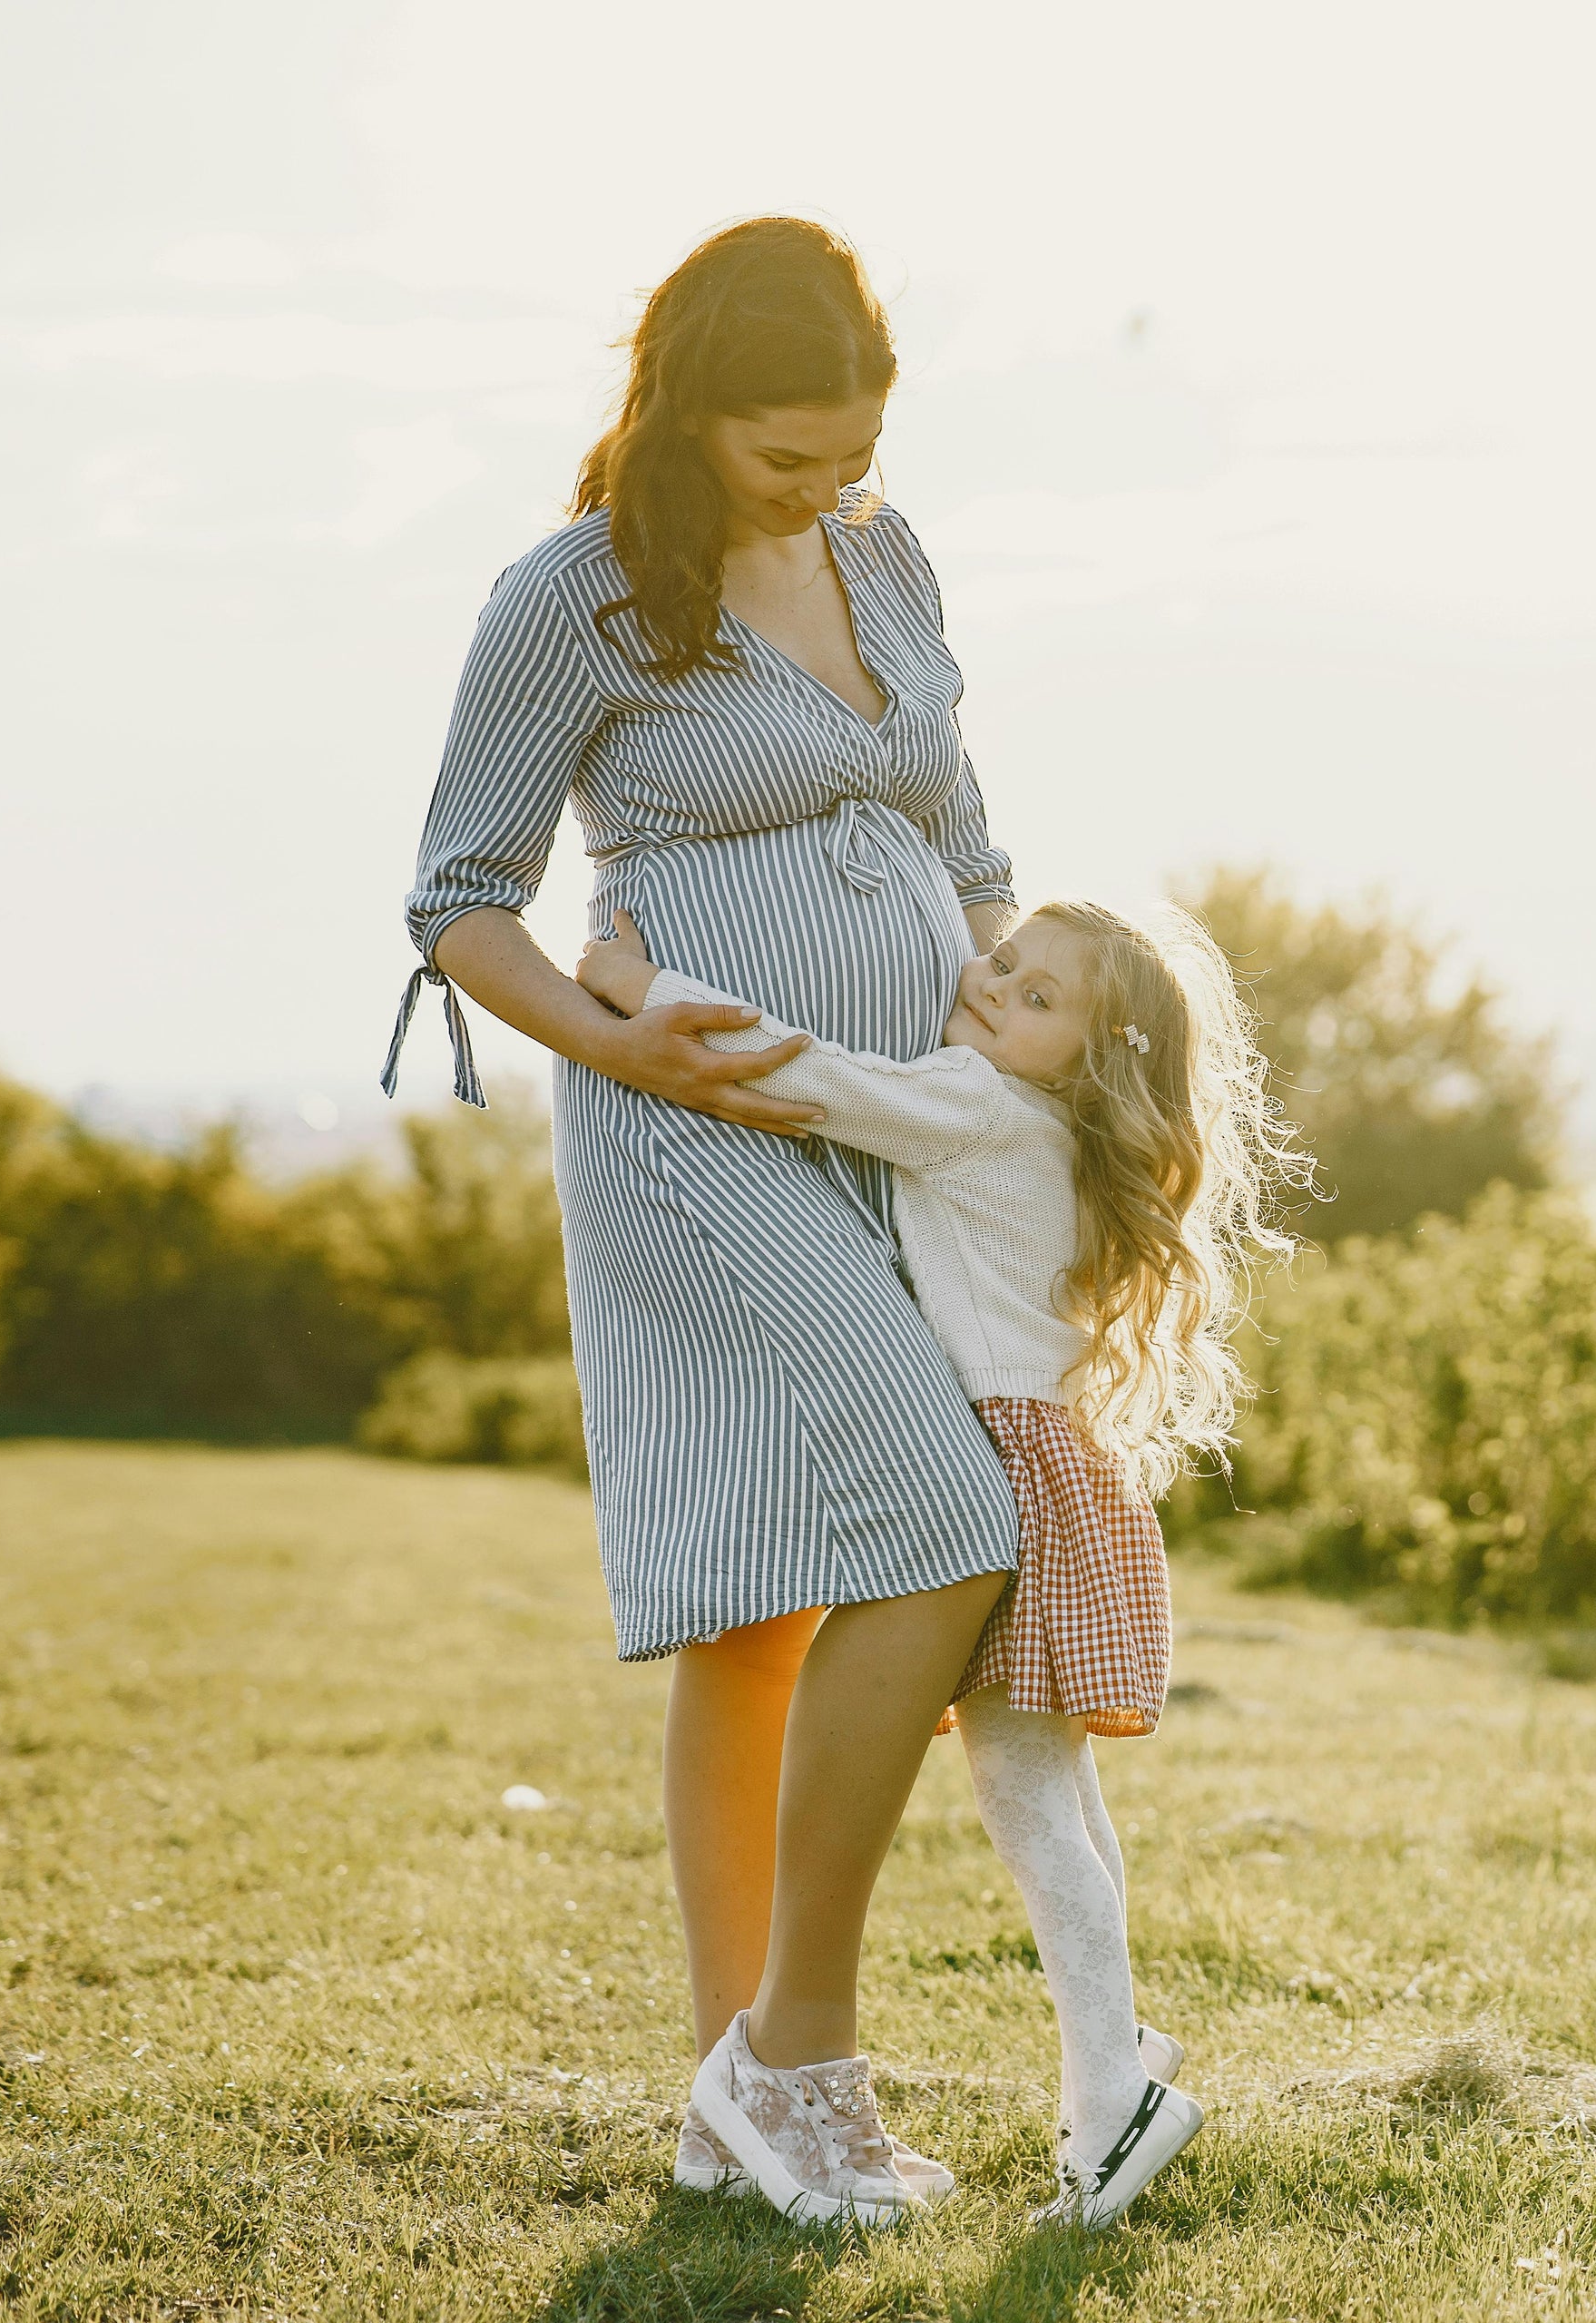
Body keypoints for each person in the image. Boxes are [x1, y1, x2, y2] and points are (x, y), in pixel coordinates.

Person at [391, 218, 1023, 2222]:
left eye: (849, 455)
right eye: (786, 461)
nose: (825, 491)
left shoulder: (889, 554)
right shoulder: (571, 598)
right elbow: (459, 893)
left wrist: (1027, 1059)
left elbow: (967, 833)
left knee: (765, 1609)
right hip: (705, 1130)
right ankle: (798, 2055)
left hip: (910, 1127)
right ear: (684, 412)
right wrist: (618, 1043)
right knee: (939, 1523)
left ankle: (739, 2108)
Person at [578, 896, 1297, 2223]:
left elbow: (802, 1076)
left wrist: (637, 985)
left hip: (1006, 1469)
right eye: (1005, 963)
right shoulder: (1053, 1128)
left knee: (1031, 1802)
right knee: (1059, 1797)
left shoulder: (976, 1105)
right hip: (1056, 1464)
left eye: (1037, 999)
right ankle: (1112, 2067)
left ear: (1088, 1057)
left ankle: (1112, 2088)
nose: (993, 985)